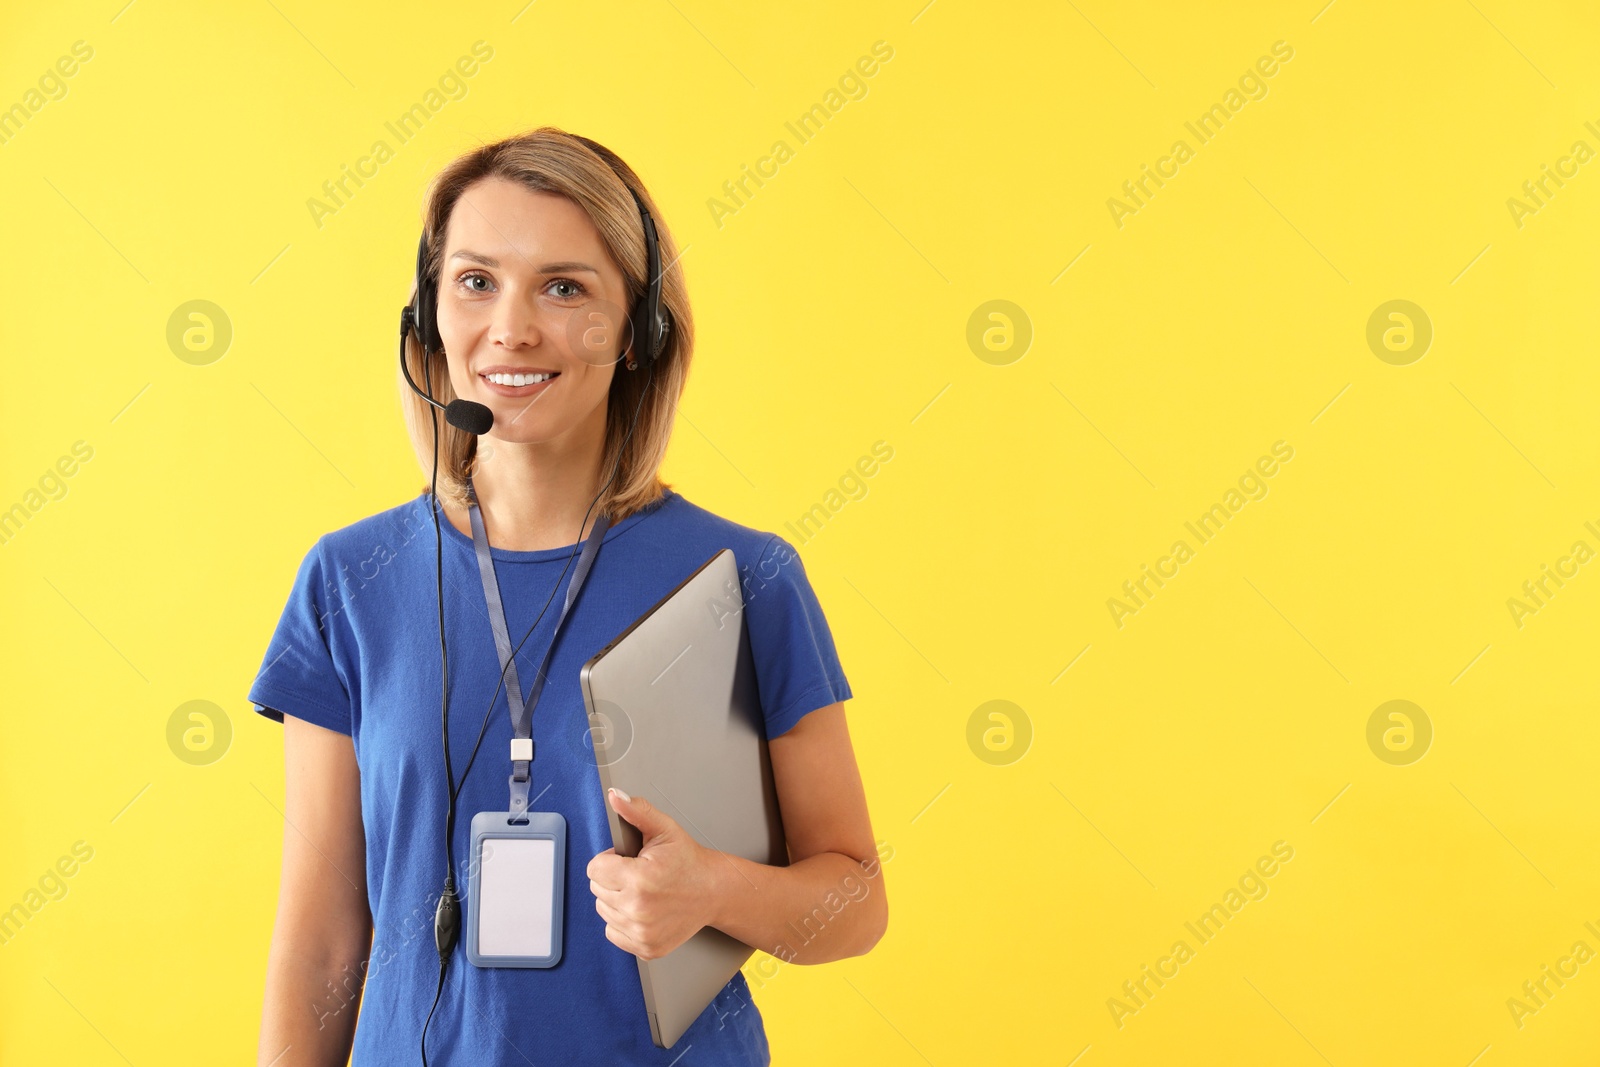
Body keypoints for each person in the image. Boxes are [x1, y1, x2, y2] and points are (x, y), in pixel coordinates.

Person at [248, 127, 887, 1066]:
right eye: (474, 281)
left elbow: (855, 902)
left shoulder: (745, 577)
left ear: (639, 333)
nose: (510, 329)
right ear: (426, 319)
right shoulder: (351, 580)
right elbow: (322, 944)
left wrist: (712, 890)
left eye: (564, 286)